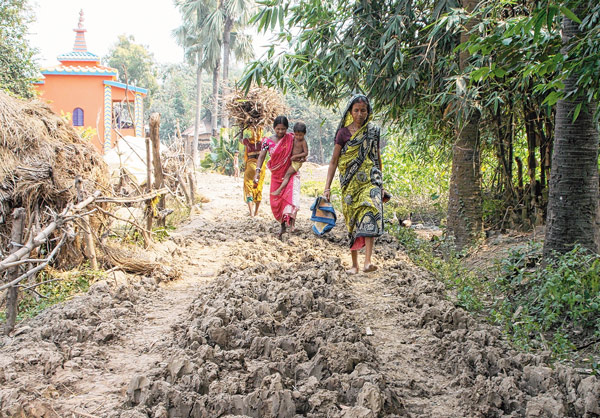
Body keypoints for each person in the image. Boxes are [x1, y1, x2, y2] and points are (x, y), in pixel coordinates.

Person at [323, 94, 384, 274]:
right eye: (356, 110)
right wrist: (327, 187)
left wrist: (381, 185)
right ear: (350, 112)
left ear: (368, 112)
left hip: (370, 181)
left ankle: (367, 261)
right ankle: (355, 264)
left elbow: (377, 157)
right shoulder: (342, 134)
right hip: (349, 184)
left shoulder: (373, 131)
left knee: (371, 211)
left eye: (363, 110)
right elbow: (334, 161)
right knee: (353, 222)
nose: (359, 114)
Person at [254, 116, 300, 239]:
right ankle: (282, 225)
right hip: (276, 175)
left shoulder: (291, 138)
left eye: (283, 129)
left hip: (289, 174)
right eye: (278, 129)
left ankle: (291, 224)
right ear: (274, 128)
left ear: (287, 129)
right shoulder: (267, 142)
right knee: (276, 201)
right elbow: (261, 157)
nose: (280, 132)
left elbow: (300, 148)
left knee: (290, 198)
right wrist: (257, 172)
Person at [273, 122, 309, 196]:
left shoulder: (303, 142)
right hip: (291, 160)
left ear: (304, 134)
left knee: (287, 175)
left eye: (300, 135)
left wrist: (296, 156)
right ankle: (283, 191)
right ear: (294, 133)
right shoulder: (293, 139)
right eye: (296, 135)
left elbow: (305, 153)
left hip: (297, 163)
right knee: (285, 174)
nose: (298, 137)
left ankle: (279, 190)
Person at [240, 128, 265, 217]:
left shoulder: (247, 141)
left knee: (248, 188)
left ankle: (251, 213)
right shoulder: (263, 142)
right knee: (258, 188)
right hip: (260, 168)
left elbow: (240, 140)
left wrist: (241, 129)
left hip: (250, 166)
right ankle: (256, 212)